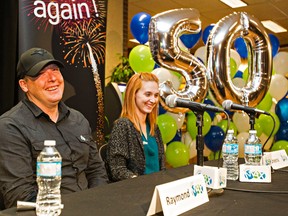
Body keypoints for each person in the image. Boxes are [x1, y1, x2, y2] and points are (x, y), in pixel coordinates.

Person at [0, 47, 108, 209]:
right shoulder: (10, 126)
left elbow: (96, 171)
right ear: (24, 85)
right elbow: (20, 194)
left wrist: (96, 204)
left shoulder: (78, 119)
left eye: (55, 70)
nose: (52, 78)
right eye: (40, 74)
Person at [106, 72, 165, 182]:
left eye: (156, 95)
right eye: (148, 94)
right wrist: (140, 183)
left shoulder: (154, 128)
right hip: (136, 193)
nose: (153, 100)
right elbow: (117, 170)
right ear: (133, 94)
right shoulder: (123, 126)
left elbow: (162, 168)